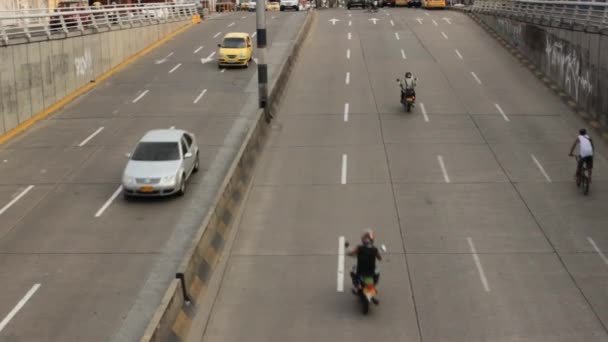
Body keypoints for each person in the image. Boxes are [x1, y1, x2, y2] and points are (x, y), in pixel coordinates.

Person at [348, 229, 382, 301]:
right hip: (371, 272)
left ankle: (357, 286)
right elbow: (380, 258)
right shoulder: (375, 249)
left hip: (360, 271)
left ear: (363, 240)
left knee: (352, 271)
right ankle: (372, 286)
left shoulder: (359, 248)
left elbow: (352, 253)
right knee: (378, 272)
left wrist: (349, 252)